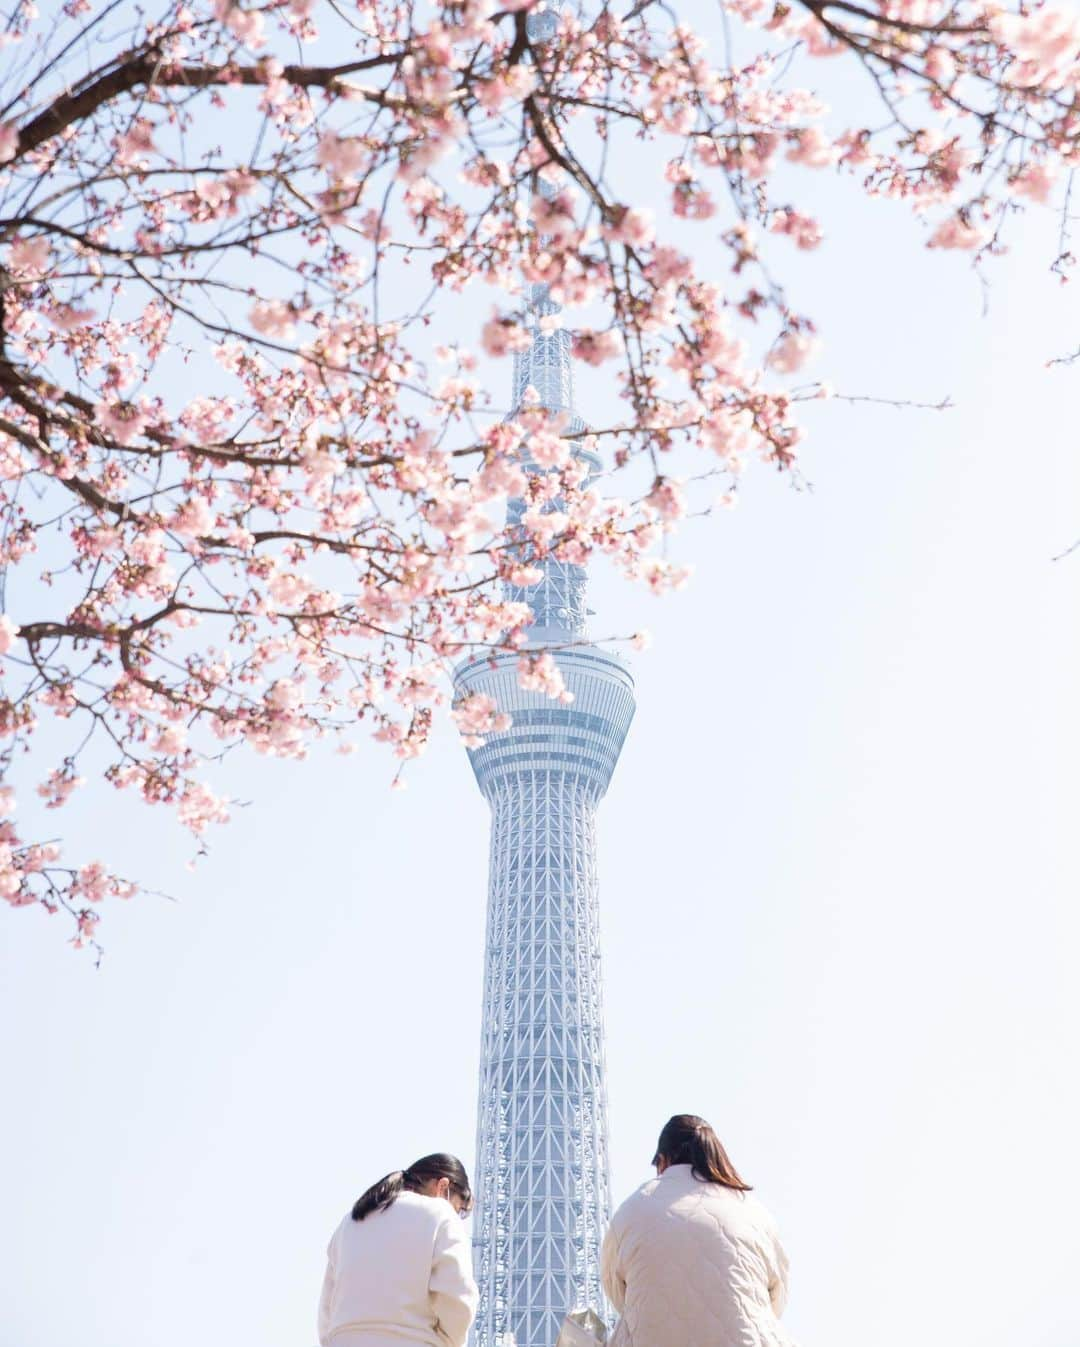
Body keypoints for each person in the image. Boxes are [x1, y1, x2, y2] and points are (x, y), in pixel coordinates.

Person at [601, 1114, 795, 1347]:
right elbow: (777, 1296)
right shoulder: (755, 1212)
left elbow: (617, 1291)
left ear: (663, 1161)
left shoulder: (631, 1210)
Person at [318, 1152, 479, 1347]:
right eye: (459, 1208)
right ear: (443, 1186)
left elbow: (327, 1310)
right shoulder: (441, 1214)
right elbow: (457, 1299)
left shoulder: (351, 1220)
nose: (457, 1214)